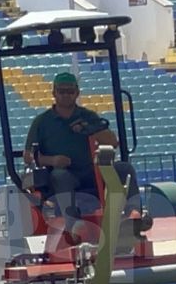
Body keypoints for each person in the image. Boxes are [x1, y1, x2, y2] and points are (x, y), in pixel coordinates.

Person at [23, 71, 121, 220]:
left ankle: (131, 213)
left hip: (92, 171)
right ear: (54, 93)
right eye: (61, 91)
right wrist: (52, 160)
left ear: (77, 93)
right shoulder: (42, 122)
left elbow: (113, 142)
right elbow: (28, 156)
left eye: (70, 91)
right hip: (62, 175)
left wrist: (91, 130)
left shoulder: (88, 117)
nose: (66, 95)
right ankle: (72, 221)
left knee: (123, 168)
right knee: (60, 176)